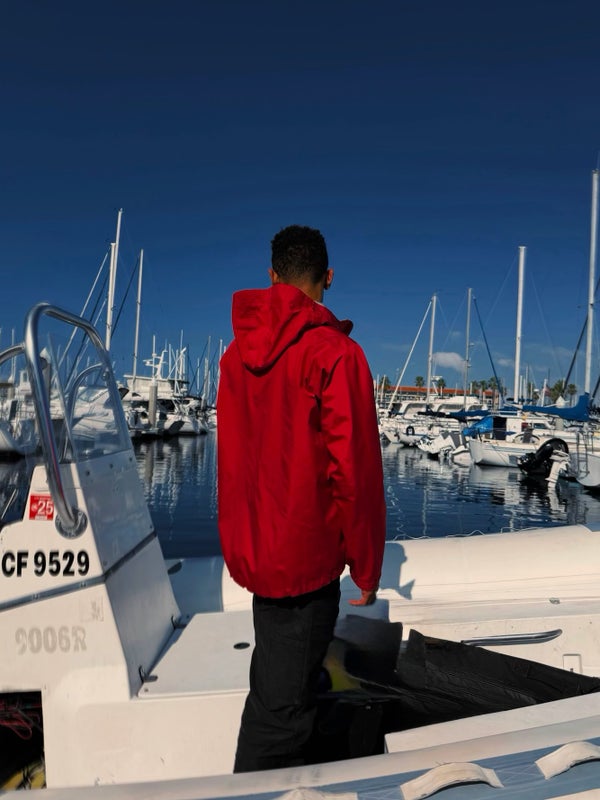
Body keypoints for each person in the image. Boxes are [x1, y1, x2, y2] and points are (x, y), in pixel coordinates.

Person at [217, 224, 386, 773]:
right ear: (328, 277)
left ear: (272, 276)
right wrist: (367, 565)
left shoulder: (233, 358)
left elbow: (238, 456)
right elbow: (354, 472)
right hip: (305, 561)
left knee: (280, 678)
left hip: (258, 551)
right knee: (280, 713)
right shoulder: (336, 354)